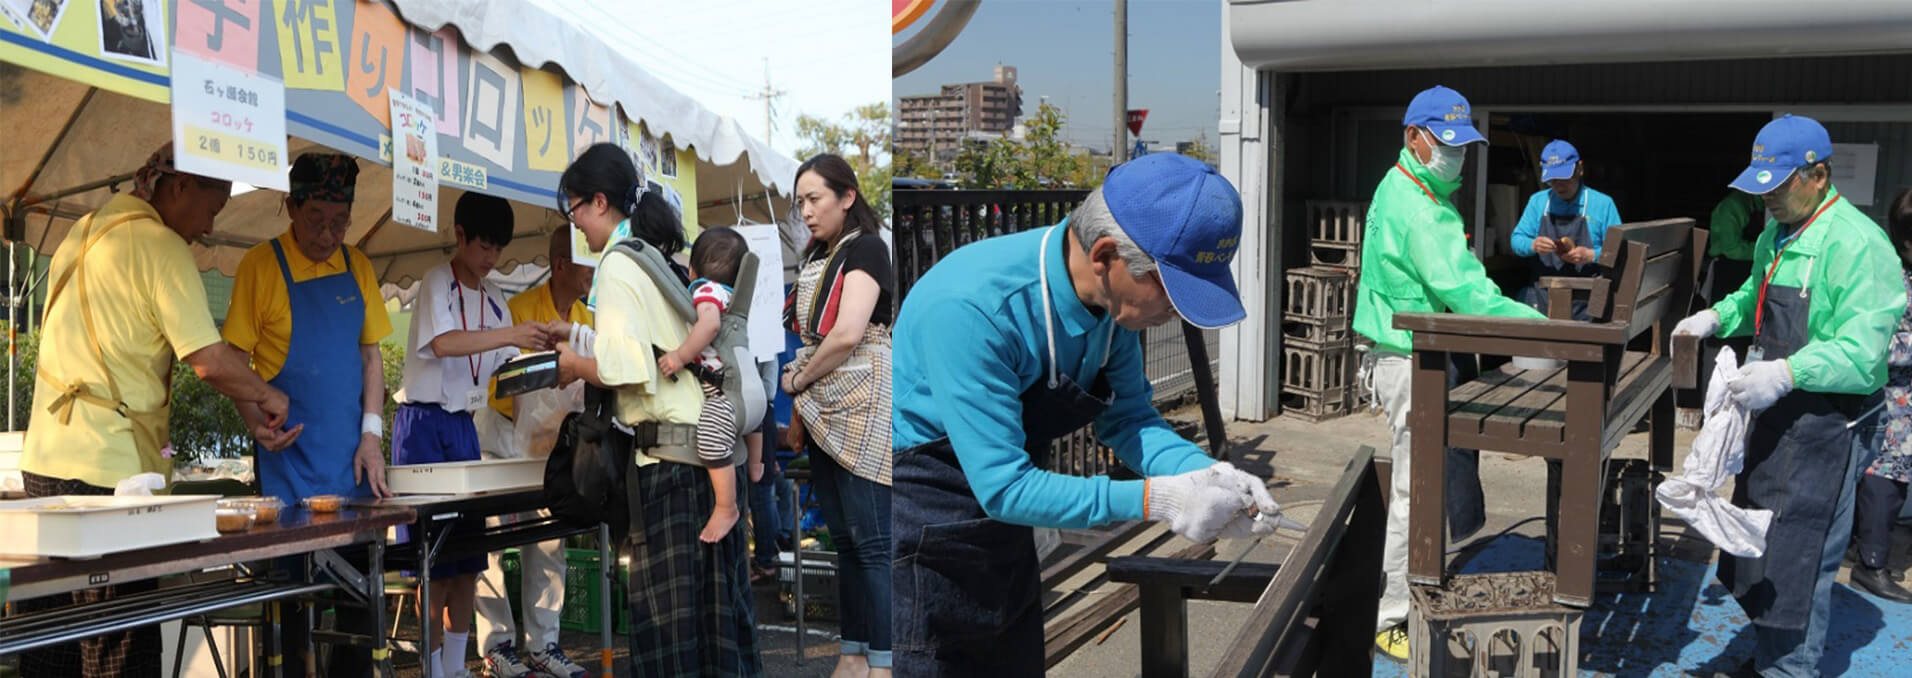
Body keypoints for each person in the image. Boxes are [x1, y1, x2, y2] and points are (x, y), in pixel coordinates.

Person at [892, 152, 1279, 676]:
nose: (1178, 311)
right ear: (1105, 256)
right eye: (1169, 289)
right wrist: (1160, 498)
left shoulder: (1109, 308)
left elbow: (1130, 419)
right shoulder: (973, 309)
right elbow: (1004, 487)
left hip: (1005, 533)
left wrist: (1208, 475)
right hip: (927, 528)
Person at [20, 143, 295, 678]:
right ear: (178, 188)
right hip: (109, 478)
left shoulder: (82, 233)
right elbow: (209, 359)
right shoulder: (160, 246)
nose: (209, 228)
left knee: (49, 644)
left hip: (45, 465)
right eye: (213, 209)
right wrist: (267, 395)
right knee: (119, 649)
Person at [1673, 115, 1903, 678]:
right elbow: (1754, 294)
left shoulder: (1858, 246)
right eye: (1762, 186)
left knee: (1803, 553)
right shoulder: (1780, 233)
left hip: (1831, 423)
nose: (1767, 198)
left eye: (1777, 185)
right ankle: (1771, 656)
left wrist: (1786, 373)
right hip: (1781, 417)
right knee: (1763, 545)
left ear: (1818, 175)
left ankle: (1788, 671)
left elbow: (1861, 352)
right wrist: (1715, 316)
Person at [552, 143, 761, 676]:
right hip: (713, 461)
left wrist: (575, 363)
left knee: (669, 637)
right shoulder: (656, 256)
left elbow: (625, 369)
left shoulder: (619, 266)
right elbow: (650, 344)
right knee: (721, 633)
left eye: (574, 210)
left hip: (669, 469)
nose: (576, 226)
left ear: (600, 203)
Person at [1356, 86, 1548, 662]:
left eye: (1463, 145)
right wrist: (1538, 326)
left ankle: (1419, 581)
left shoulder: (1410, 188)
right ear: (1412, 138)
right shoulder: (1420, 208)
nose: (1456, 156)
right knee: (1416, 490)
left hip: (1411, 352)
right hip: (1412, 357)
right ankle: (1393, 615)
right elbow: (1467, 292)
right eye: (1445, 144)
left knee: (1426, 485)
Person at [221, 152, 393, 676]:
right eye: (317, 219)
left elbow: (371, 358)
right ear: (290, 206)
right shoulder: (260, 266)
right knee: (291, 605)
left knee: (360, 605)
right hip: (287, 467)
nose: (328, 234)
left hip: (351, 464)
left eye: (340, 221)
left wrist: (371, 435)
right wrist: (255, 421)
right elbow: (231, 362)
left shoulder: (357, 266)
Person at [394, 191, 555, 678]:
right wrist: (511, 336)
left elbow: (508, 370)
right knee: (433, 556)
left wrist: (549, 361)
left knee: (468, 555)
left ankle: (457, 663)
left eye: (497, 249)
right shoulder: (435, 282)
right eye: (484, 246)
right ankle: (434, 665)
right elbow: (444, 343)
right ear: (459, 236)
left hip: (464, 424)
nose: (491, 259)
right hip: (421, 424)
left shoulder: (494, 299)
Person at [778, 153, 903, 678]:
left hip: (861, 396)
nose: (806, 211)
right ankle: (853, 654)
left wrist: (800, 381)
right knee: (848, 541)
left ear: (847, 197)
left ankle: (884, 662)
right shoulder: (818, 257)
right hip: (827, 402)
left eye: (815, 199)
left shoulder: (868, 249)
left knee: (873, 543)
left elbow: (850, 332)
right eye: (800, 201)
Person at [476, 228, 595, 678]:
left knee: (549, 539)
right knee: (488, 541)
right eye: (585, 262)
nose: (592, 272)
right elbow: (492, 379)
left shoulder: (586, 317)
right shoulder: (518, 311)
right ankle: (496, 647)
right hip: (502, 432)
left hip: (553, 444)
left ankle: (545, 645)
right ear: (561, 264)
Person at [656, 227, 756, 543]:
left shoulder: (705, 292)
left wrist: (679, 356)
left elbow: (709, 324)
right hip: (753, 395)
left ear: (692, 270)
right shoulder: (734, 298)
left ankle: (727, 507)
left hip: (727, 393)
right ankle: (756, 465)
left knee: (710, 438)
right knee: (749, 425)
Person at [1850, 186, 1912, 605]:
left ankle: (1863, 545)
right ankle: (1870, 565)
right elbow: (1882, 345)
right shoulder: (1892, 282)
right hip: (1892, 400)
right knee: (1886, 477)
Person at [1508, 139, 1623, 321]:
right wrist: (1533, 244)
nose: (1559, 185)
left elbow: (1619, 252)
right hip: (1544, 296)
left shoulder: (1602, 204)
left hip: (1588, 300)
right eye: (1553, 179)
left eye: (1565, 177)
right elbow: (1516, 240)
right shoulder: (1538, 202)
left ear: (1580, 169)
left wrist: (1591, 255)